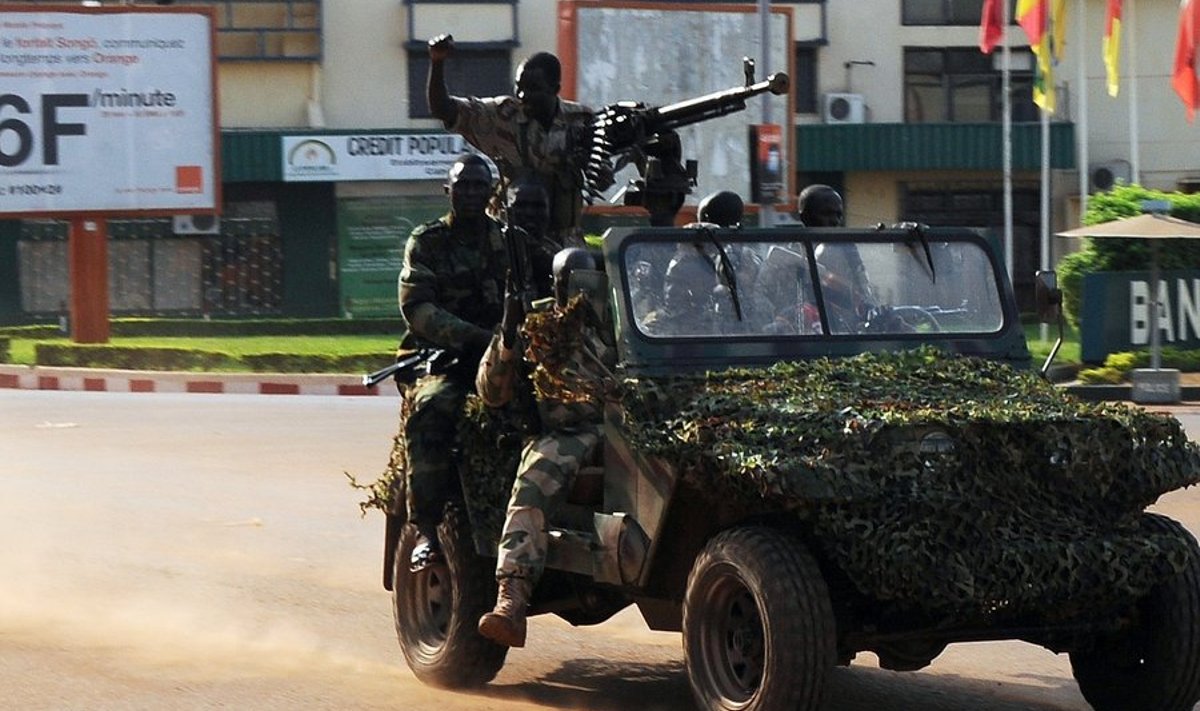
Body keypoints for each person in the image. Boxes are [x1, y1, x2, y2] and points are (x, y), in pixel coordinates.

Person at [474, 247, 618, 648]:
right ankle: (512, 601)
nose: (581, 290)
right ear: (556, 284)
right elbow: (491, 393)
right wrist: (507, 333)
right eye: (572, 281)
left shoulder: (616, 318)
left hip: (622, 424)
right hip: (566, 434)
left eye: (588, 280)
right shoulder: (535, 324)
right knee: (534, 486)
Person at [397, 153, 507, 570]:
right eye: (464, 185)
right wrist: (475, 337)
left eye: (480, 185)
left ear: (491, 191)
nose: (472, 193)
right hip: (443, 360)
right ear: (449, 191)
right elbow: (418, 310)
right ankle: (425, 529)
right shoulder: (427, 242)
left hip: (503, 358)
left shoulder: (506, 239)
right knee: (432, 410)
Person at [426, 34, 611, 247]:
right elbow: (443, 109)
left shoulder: (582, 121)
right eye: (518, 87)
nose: (523, 95)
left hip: (563, 239)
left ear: (555, 89)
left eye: (533, 88)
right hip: (508, 241)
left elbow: (602, 180)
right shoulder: (502, 115)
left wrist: (588, 166)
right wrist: (437, 62)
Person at [800, 184, 877, 326]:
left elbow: (864, 295)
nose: (835, 221)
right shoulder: (786, 257)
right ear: (805, 216)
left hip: (845, 332)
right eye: (826, 214)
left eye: (838, 215)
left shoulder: (846, 251)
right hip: (799, 336)